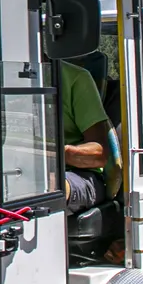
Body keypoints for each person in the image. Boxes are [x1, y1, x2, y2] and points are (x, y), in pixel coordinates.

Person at [58, 61, 115, 214]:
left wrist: (58, 154)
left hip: (79, 175)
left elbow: (99, 154)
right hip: (18, 172)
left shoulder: (75, 78)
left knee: (46, 187)